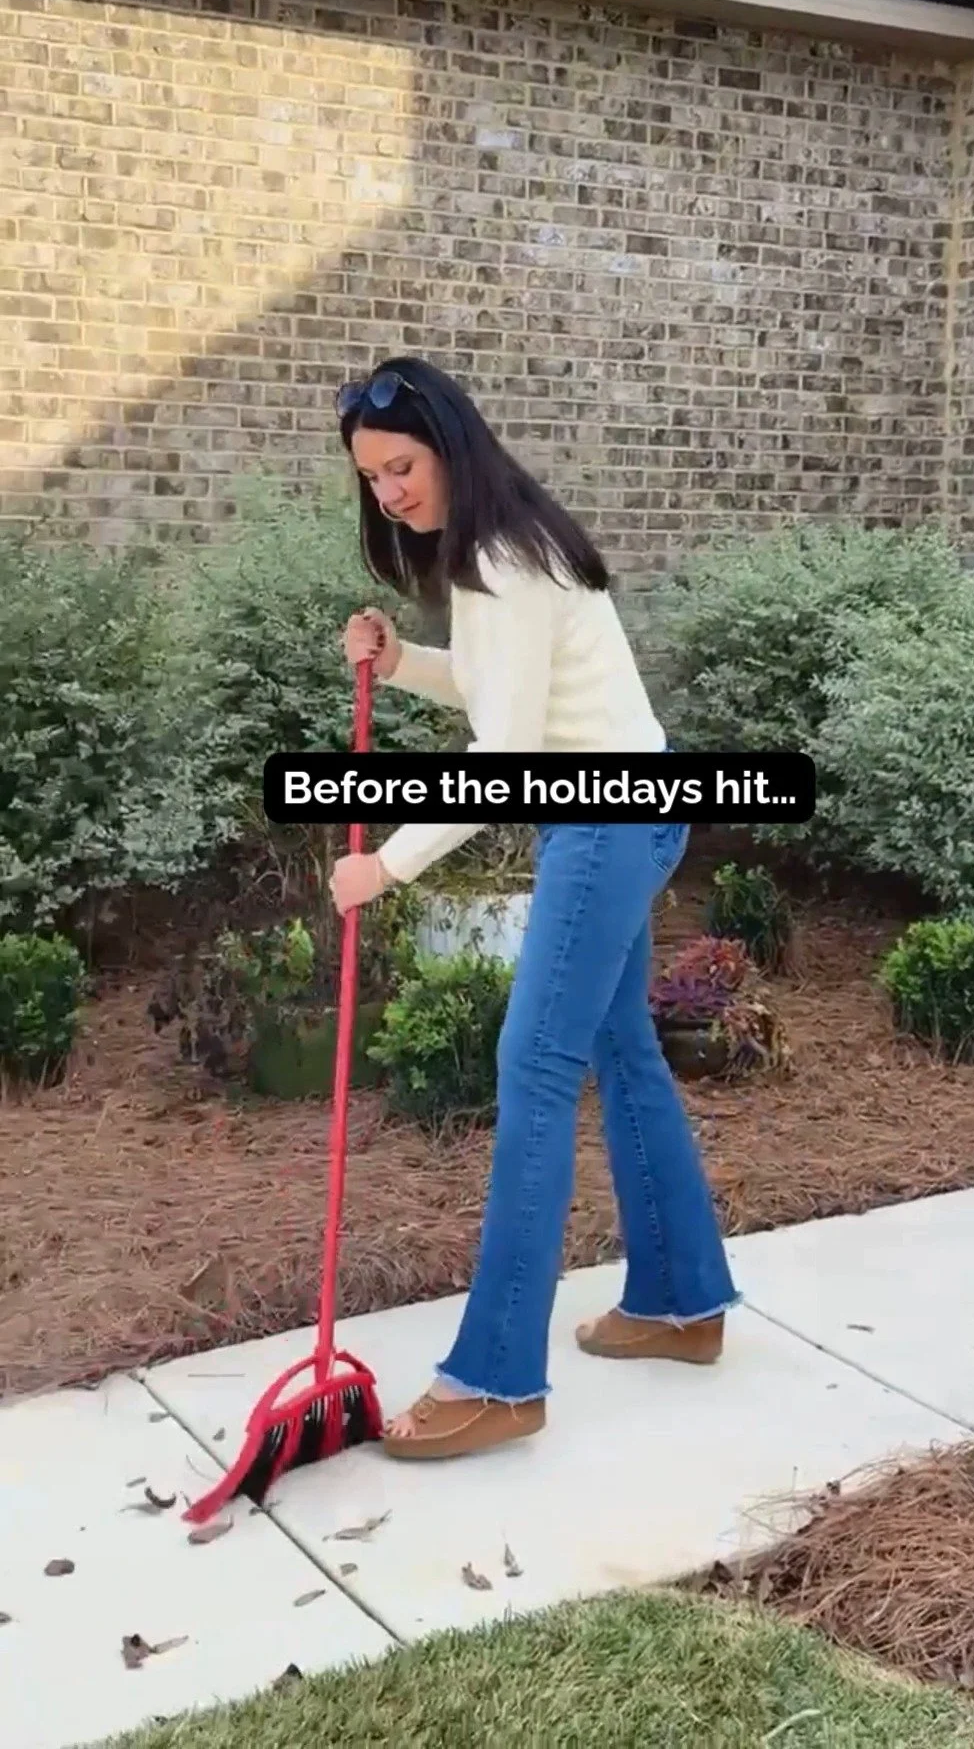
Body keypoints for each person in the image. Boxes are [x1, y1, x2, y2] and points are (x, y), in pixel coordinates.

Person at [329, 356, 741, 1461]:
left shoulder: (503, 564)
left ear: (449, 446)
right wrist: (404, 660)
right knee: (619, 1050)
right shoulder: (501, 548)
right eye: (372, 479)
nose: (390, 494)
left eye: (402, 467)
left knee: (535, 1065)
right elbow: (506, 693)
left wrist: (387, 867)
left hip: (604, 820)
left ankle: (498, 1378)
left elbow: (502, 753)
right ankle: (682, 1302)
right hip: (623, 805)